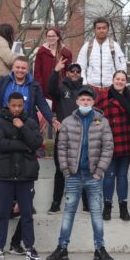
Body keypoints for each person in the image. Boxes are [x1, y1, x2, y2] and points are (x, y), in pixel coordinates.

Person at [46, 86, 115, 260]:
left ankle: (100, 249)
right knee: (68, 212)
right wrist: (66, 171)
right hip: (73, 177)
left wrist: (99, 171)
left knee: (96, 213)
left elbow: (108, 147)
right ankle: (62, 248)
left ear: (93, 102)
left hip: (93, 176)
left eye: (88, 100)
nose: (85, 102)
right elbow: (61, 148)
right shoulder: (68, 122)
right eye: (82, 100)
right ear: (77, 102)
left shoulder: (102, 121)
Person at [0, 93, 43, 260]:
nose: (17, 109)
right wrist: (24, 146)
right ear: (8, 105)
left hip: (26, 176)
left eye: (20, 106)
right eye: (14, 106)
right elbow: (0, 144)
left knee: (27, 214)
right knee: (3, 213)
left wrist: (22, 127)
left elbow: (36, 143)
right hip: (5, 175)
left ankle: (30, 248)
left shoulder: (31, 123)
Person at [95, 70, 130, 221]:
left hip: (126, 143)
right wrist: (100, 132)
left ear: (126, 81)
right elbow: (96, 116)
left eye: (123, 79)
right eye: (117, 79)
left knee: (122, 176)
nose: (120, 81)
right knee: (109, 176)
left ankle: (123, 207)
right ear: (113, 80)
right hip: (109, 144)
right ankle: (107, 207)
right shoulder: (104, 96)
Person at [47, 60, 86, 214]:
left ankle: (87, 203)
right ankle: (56, 203)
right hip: (64, 136)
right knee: (60, 170)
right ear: (68, 73)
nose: (75, 73)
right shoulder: (62, 89)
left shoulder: (85, 91)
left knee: (84, 169)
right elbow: (50, 89)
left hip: (82, 136)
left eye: (77, 71)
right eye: (72, 71)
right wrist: (56, 71)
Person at [76, 17, 127, 88]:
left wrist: (119, 85)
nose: (101, 30)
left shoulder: (115, 46)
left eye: (104, 28)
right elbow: (80, 67)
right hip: (91, 88)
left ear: (108, 29)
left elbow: (121, 68)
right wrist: (84, 84)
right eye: (99, 28)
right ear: (95, 30)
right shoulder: (87, 46)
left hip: (111, 88)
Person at [33, 27, 73, 101]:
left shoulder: (66, 53)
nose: (51, 38)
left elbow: (70, 73)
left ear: (58, 37)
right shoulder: (41, 52)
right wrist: (39, 88)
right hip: (45, 87)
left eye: (53, 36)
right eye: (49, 36)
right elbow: (37, 72)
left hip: (61, 88)